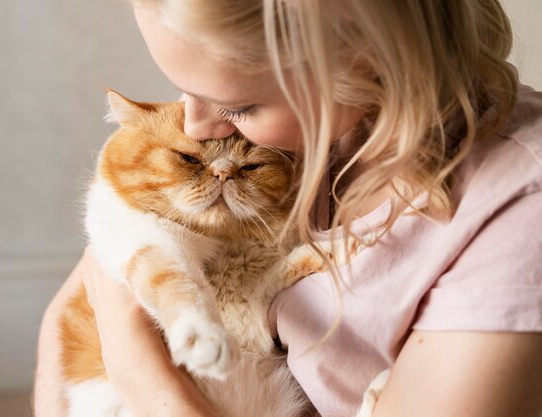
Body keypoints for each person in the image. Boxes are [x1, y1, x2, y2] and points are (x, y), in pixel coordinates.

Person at [33, 0, 542, 416]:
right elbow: (73, 310)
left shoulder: (518, 211)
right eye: (183, 89)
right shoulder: (302, 115)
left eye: (237, 106)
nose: (195, 126)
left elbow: (113, 308)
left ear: (365, 55)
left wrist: (136, 367)